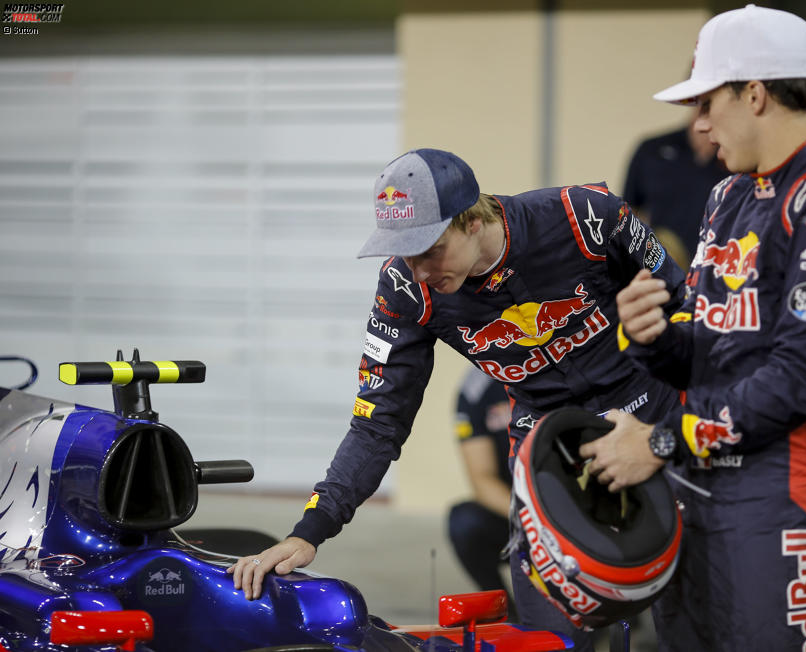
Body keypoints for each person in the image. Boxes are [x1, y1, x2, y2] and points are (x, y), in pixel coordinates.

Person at [228, 147, 688, 650]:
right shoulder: (404, 288)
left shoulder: (584, 217)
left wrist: (692, 430)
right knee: (548, 640)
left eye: (428, 248)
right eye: (404, 252)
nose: (420, 269)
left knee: (689, 626)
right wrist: (310, 529)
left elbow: (688, 310)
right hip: (546, 447)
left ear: (471, 218)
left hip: (651, 420)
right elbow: (377, 421)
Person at [580, 5, 806, 650]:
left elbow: (802, 379)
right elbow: (709, 346)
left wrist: (660, 442)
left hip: (777, 499)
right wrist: (655, 337)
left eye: (705, 102)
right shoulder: (729, 195)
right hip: (694, 484)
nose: (696, 125)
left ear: (755, 94)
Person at [623, 110, 727, 269]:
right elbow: (628, 215)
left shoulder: (736, 156)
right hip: (663, 270)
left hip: (719, 271)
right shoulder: (652, 149)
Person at [446, 368, 512, 604]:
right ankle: (505, 613)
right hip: (518, 512)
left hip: (575, 504)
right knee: (465, 522)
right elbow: (482, 478)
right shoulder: (477, 387)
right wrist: (536, 520)